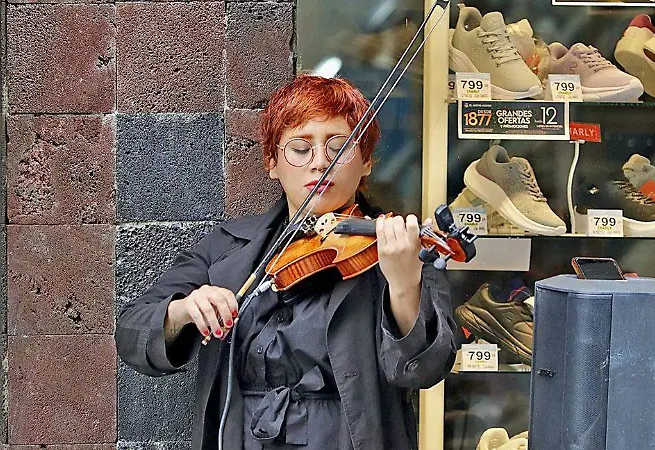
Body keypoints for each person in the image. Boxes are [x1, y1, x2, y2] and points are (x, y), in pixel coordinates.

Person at [115, 74, 457, 450]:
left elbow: (424, 370)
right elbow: (131, 332)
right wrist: (181, 311)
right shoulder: (228, 247)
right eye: (300, 148)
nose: (320, 164)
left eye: (338, 146)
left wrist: (405, 286)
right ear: (272, 162)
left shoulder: (399, 248)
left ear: (366, 163)